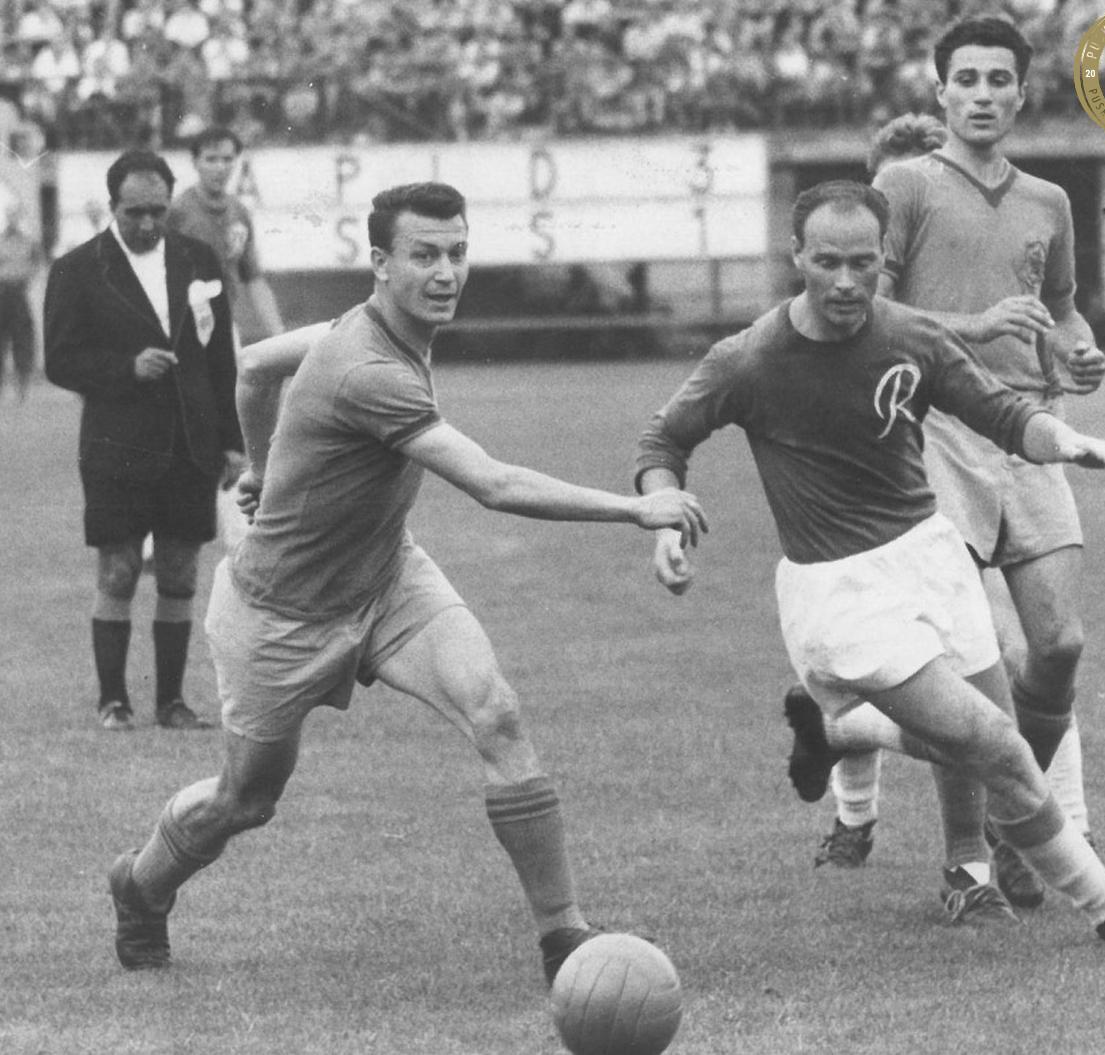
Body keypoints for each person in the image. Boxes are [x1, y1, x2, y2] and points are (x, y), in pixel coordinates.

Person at [104, 181, 708, 979]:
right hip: (281, 615)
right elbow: (492, 483)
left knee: (496, 712)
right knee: (245, 800)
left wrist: (259, 466)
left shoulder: (368, 327)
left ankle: (564, 934)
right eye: (424, 255)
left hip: (388, 575)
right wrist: (636, 508)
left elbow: (255, 366)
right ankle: (141, 884)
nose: (446, 272)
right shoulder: (365, 367)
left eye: (457, 252)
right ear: (381, 263)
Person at [637, 177, 1105, 948]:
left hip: (931, 556)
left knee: (989, 740)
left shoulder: (907, 334)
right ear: (796, 256)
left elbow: (1000, 411)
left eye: (862, 262)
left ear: (881, 257)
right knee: (996, 743)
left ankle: (904, 800)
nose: (846, 281)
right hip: (839, 591)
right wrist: (664, 515)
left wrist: (1069, 441)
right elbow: (664, 440)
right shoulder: (752, 358)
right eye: (827, 261)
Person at [793, 18, 1105, 917]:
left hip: (1028, 427)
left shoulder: (1049, 199)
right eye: (965, 78)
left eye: (998, 79)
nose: (982, 93)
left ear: (1022, 94)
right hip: (934, 431)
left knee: (1059, 646)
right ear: (941, 92)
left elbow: (1063, 308)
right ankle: (971, 863)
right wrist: (973, 328)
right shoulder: (905, 185)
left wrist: (1080, 350)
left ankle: (1016, 820)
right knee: (972, 660)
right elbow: (871, 310)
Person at [44, 149, 241, 732]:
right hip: (117, 445)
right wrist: (126, 368)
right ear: (112, 206)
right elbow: (60, 359)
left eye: (158, 210)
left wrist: (233, 440)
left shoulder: (198, 259)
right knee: (119, 571)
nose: (149, 223)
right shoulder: (78, 268)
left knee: (180, 573)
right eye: (135, 213)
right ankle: (114, 702)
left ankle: (172, 703)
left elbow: (220, 358)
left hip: (190, 443)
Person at [166, 125, 284, 346]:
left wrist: (278, 334)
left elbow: (253, 278)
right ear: (195, 162)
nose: (220, 167)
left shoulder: (239, 213)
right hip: (178, 326)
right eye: (211, 159)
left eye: (227, 159)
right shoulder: (177, 212)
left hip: (223, 324)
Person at [0, 197, 40, 403]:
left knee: (23, 342)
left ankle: (22, 389)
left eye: (15, 215)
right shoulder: (0, 240)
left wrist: (26, 278)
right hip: (2, 293)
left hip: (20, 293)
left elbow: (36, 263)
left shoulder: (28, 242)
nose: (12, 218)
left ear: (19, 217)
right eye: (10, 214)